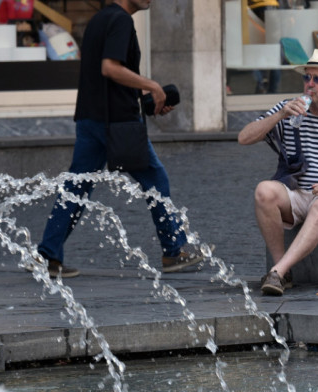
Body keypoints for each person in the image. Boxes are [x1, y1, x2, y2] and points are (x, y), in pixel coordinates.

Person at [36, 0, 203, 278]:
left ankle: (48, 256)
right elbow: (110, 68)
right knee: (155, 179)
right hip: (115, 123)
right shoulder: (121, 21)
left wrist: (147, 101)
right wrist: (151, 85)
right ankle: (173, 252)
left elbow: (108, 82)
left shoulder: (99, 20)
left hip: (90, 118)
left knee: (75, 188)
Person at [237, 49, 318, 296]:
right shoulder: (288, 109)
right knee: (264, 191)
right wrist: (280, 115)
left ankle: (277, 272)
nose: (310, 85)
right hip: (300, 192)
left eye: (317, 80)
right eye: (307, 78)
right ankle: (282, 273)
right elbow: (244, 138)